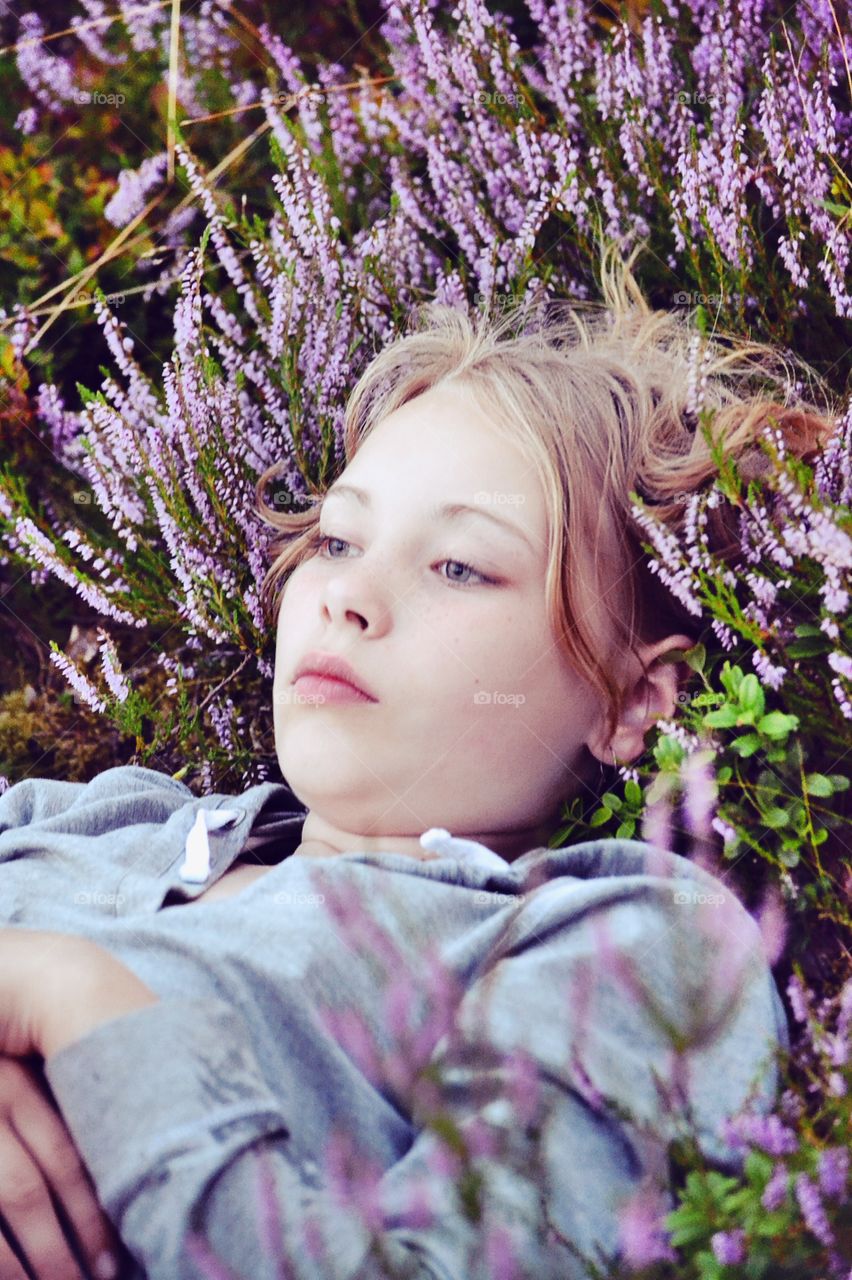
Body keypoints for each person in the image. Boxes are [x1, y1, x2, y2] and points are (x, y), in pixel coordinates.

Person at [0, 246, 838, 1280]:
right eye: (341, 540)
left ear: (629, 703)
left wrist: (80, 1003)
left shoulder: (614, 941)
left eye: (458, 564)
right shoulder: (93, 819)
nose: (345, 595)